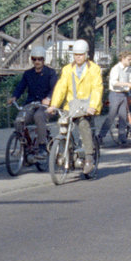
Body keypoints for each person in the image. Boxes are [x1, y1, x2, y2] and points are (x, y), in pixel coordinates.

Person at [48, 39, 103, 176]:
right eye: (76, 55)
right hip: (72, 106)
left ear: (86, 55)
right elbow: (61, 88)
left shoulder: (94, 69)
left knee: (84, 124)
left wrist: (93, 106)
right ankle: (68, 151)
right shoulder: (67, 69)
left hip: (87, 106)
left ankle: (89, 157)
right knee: (63, 124)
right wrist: (54, 105)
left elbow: (97, 89)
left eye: (81, 54)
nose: (78, 57)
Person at [7, 45, 58, 151]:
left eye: (39, 59)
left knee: (39, 116)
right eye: (34, 59)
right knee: (19, 120)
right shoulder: (28, 74)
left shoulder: (51, 73)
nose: (37, 61)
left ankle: (42, 145)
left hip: (45, 105)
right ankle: (25, 144)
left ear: (44, 60)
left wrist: (49, 99)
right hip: (31, 104)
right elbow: (20, 87)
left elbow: (55, 89)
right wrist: (14, 97)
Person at [97, 51, 131, 147]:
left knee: (123, 118)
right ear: (123, 59)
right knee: (111, 117)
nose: (130, 61)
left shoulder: (127, 69)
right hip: (115, 94)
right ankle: (100, 136)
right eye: (129, 59)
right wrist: (127, 84)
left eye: (130, 59)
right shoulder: (116, 69)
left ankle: (123, 140)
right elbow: (114, 83)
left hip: (123, 95)